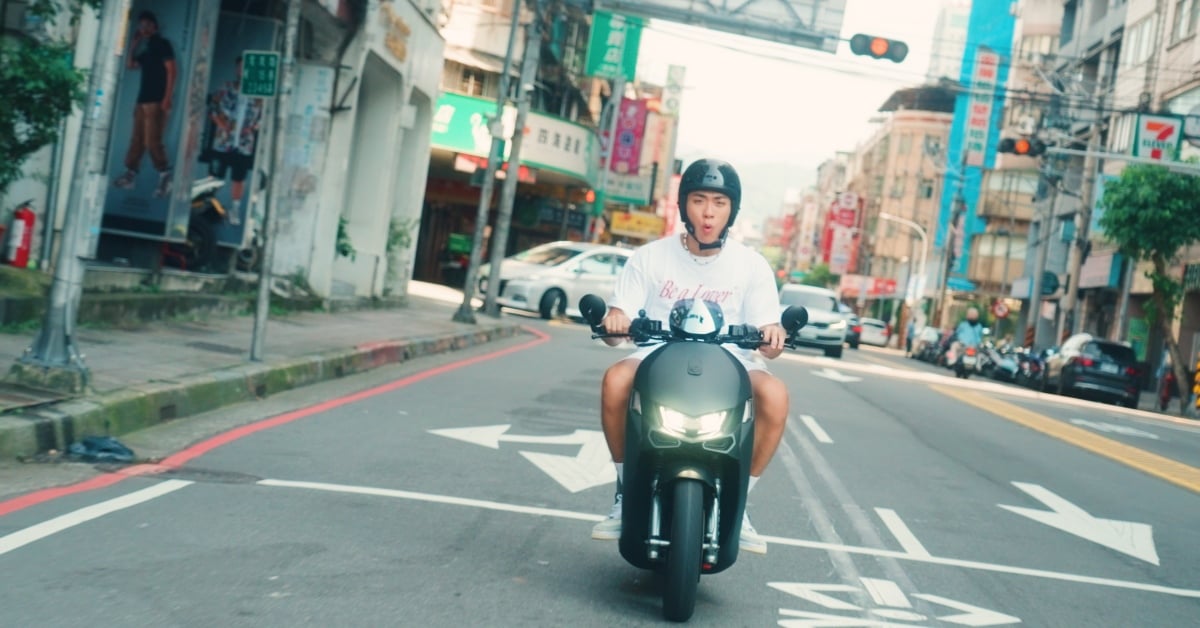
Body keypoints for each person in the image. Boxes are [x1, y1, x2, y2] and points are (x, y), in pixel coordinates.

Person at [590, 158, 789, 555]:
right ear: (683, 205)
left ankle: (741, 502)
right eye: (699, 200)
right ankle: (625, 491)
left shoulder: (752, 265)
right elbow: (617, 324)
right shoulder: (649, 257)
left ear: (732, 210)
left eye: (719, 202)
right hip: (657, 354)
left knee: (775, 394)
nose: (708, 212)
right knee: (615, 379)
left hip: (731, 360)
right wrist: (615, 321)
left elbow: (769, 337)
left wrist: (773, 336)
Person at [112, 11, 177, 199]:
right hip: (142, 100)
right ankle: (130, 174)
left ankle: (165, 175)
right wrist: (134, 43)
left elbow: (172, 71)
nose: (144, 29)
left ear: (155, 26)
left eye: (148, 25)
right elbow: (130, 65)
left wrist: (167, 97)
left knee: (152, 140)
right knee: (137, 139)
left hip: (156, 100)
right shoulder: (147, 49)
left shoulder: (163, 44)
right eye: (142, 26)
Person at [207, 56, 264, 225]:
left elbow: (262, 118)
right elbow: (212, 109)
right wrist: (222, 125)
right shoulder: (226, 88)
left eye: (245, 68)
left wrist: (252, 128)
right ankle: (209, 204)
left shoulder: (258, 94)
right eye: (240, 67)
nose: (242, 71)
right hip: (223, 141)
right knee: (215, 175)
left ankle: (235, 209)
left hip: (244, 143)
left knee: (238, 178)